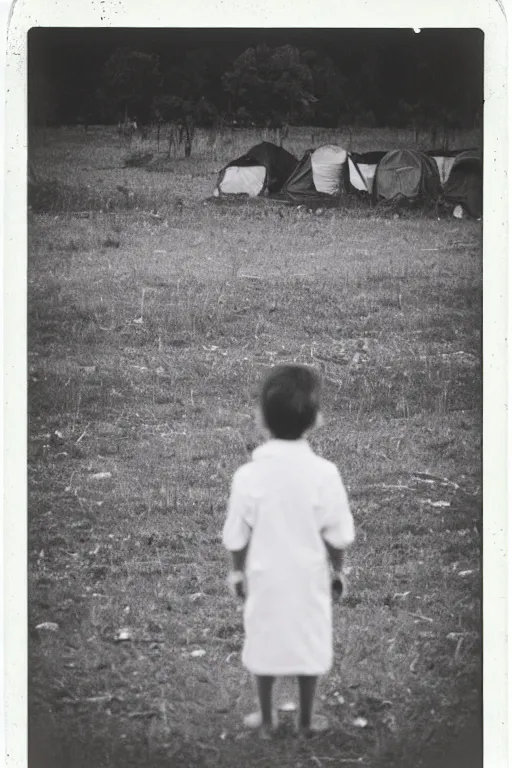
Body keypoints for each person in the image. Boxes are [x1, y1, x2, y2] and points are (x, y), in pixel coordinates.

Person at [222, 364, 355, 739]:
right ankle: (307, 719)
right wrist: (336, 571)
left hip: (264, 575)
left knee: (263, 636)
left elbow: (238, 533)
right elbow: (336, 532)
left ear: (262, 418)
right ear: (315, 420)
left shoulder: (248, 477)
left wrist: (237, 571)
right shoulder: (324, 474)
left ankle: (266, 720)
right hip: (309, 576)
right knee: (309, 639)